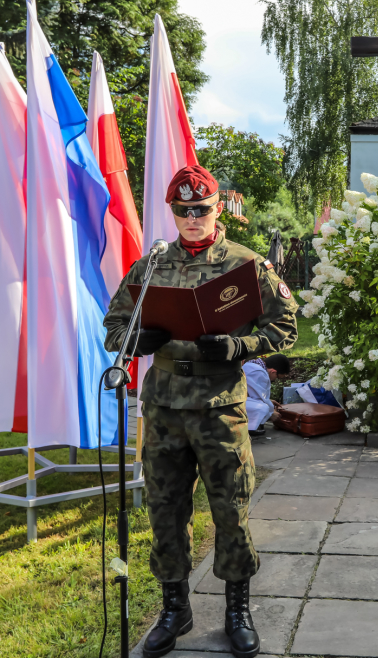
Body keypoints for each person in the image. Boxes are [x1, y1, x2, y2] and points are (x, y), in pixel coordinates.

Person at [103, 164, 298, 658]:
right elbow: (113, 324)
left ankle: (237, 608)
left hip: (219, 408)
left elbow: (285, 327)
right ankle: (175, 607)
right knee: (166, 511)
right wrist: (136, 338)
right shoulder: (151, 266)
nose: (192, 218)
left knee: (230, 510)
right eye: (183, 211)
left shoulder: (246, 265)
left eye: (201, 209)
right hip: (164, 405)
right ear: (173, 212)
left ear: (218, 209)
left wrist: (238, 347)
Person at [244, 353, 291, 437]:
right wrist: (271, 413)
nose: (275, 380)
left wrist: (269, 401)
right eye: (277, 377)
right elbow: (259, 398)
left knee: (265, 406)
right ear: (273, 371)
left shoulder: (252, 365)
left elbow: (252, 394)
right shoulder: (260, 373)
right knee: (263, 408)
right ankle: (249, 428)